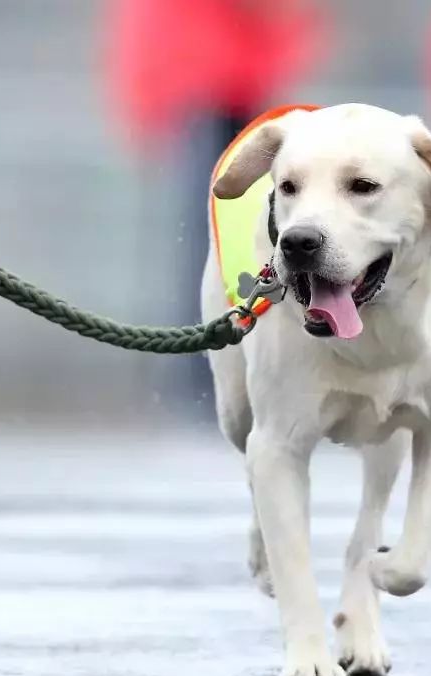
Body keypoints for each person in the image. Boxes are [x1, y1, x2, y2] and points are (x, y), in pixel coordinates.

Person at [102, 0, 328, 416]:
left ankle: (201, 379)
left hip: (197, 79)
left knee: (207, 241)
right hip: (215, 82)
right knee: (221, 245)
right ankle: (210, 380)